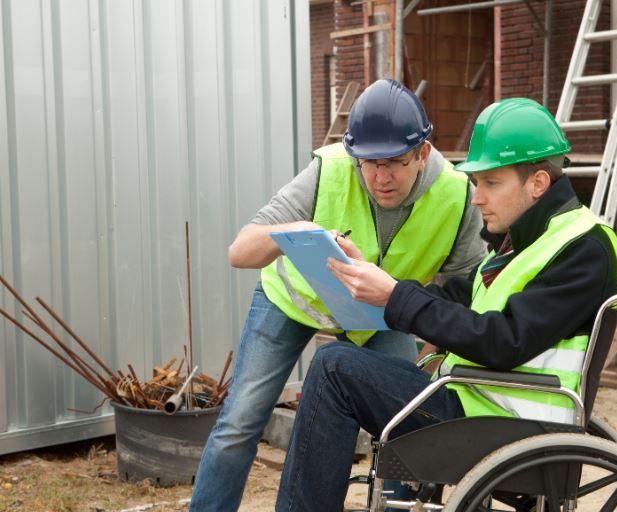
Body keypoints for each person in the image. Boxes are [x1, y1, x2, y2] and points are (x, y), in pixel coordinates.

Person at [274, 98, 617, 512]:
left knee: (333, 368)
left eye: (491, 183)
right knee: (337, 362)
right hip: (480, 403)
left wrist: (395, 296)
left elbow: (505, 341)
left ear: (537, 183)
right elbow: (452, 299)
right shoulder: (528, 240)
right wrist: (382, 285)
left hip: (504, 421)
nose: (475, 198)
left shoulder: (582, 249)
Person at [189, 79, 486, 511]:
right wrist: (294, 231)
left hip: (379, 316)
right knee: (240, 422)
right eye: (369, 164)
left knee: (410, 423)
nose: (381, 178)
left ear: (422, 154)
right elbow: (240, 251)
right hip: (291, 303)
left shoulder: (457, 196)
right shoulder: (327, 169)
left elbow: (465, 291)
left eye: (396, 163)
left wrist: (433, 353)